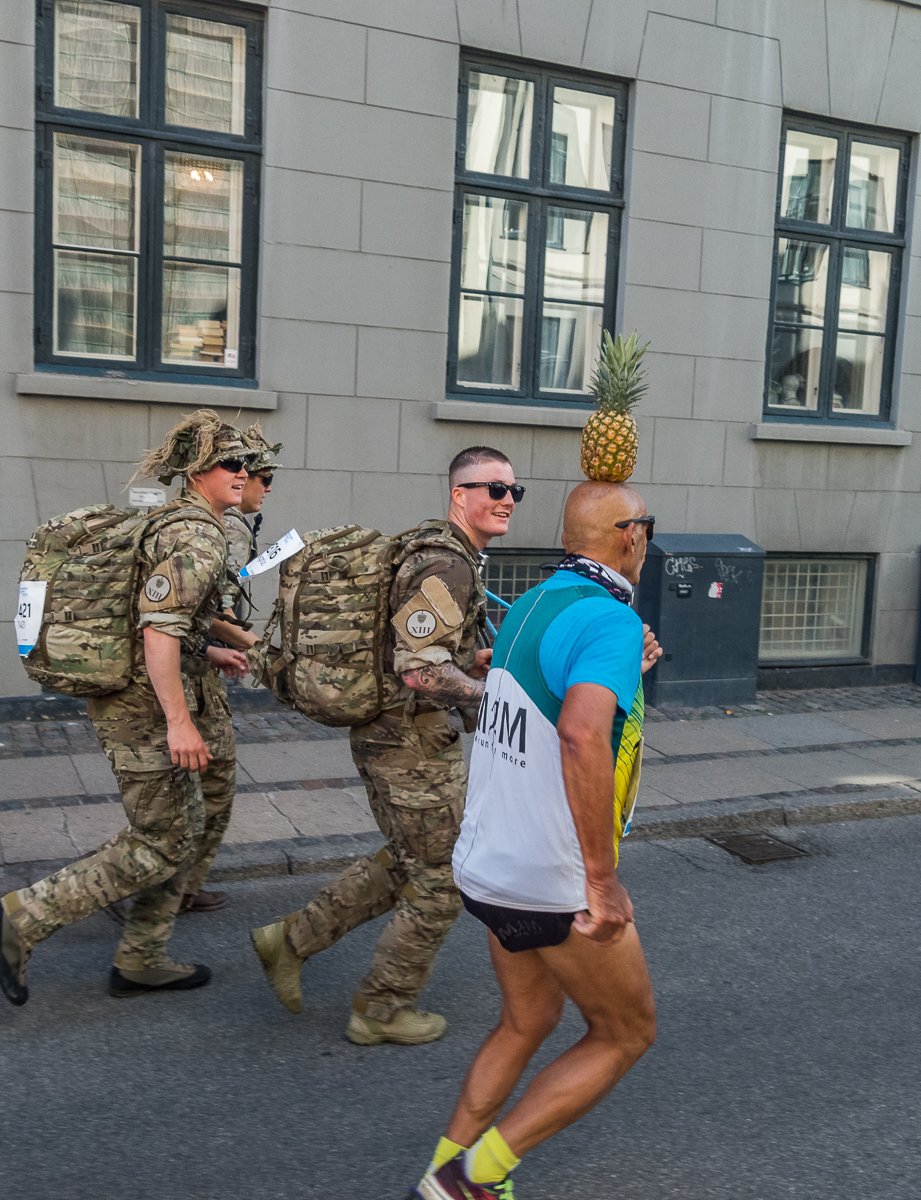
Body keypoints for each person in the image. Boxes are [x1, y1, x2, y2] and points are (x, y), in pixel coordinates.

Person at [408, 481, 662, 1199]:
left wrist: (621, 668)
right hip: (551, 875)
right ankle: (472, 1178)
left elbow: (542, 699)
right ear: (628, 535)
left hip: (488, 862)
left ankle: (440, 1170)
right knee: (624, 1034)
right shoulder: (607, 622)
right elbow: (581, 735)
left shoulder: (531, 604)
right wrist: (601, 879)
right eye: (646, 526)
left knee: (528, 1020)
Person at [250, 446, 524, 1046]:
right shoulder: (446, 563)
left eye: (512, 491)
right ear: (460, 494)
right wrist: (492, 700)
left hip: (389, 734)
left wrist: (465, 662)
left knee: (409, 859)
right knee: (444, 878)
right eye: (493, 489)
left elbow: (418, 651)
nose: (507, 501)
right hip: (410, 744)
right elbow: (418, 670)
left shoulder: (432, 548)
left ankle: (291, 940)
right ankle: (380, 1007)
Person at [0, 411, 258, 1006]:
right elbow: (158, 630)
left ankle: (142, 956)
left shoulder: (180, 523)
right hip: (142, 708)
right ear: (199, 470)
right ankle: (20, 919)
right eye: (232, 463)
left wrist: (211, 649)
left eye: (247, 462)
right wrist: (180, 722)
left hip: (144, 694)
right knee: (162, 840)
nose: (244, 472)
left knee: (183, 828)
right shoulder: (196, 533)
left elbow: (160, 618)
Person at [176, 424, 283, 915]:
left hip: (192, 666)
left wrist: (210, 647)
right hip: (185, 680)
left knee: (196, 787)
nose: (257, 486)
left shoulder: (199, 520)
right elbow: (215, 608)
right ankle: (151, 883)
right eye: (262, 478)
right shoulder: (228, 526)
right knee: (203, 788)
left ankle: (179, 886)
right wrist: (252, 647)